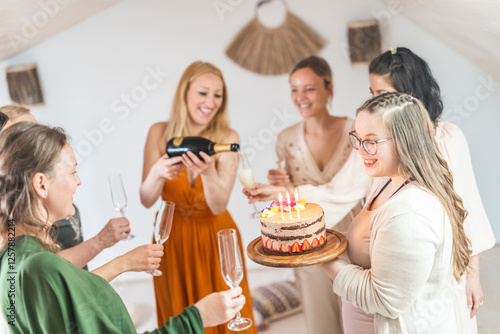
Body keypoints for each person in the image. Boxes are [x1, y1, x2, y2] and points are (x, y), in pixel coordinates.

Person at [0, 122, 245, 333]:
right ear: (41, 184)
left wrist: (123, 262)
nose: (78, 181)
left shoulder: (11, 259)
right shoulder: (42, 265)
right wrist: (199, 317)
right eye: (73, 171)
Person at [322, 92, 472, 333]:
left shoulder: (410, 212)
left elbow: (385, 300)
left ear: (405, 140)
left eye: (371, 141)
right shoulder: (387, 181)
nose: (360, 150)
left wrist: (320, 257)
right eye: (357, 138)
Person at [368, 47, 495, 332]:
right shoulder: (382, 142)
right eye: (371, 93)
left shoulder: (447, 138)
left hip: (442, 268)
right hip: (397, 269)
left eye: (382, 94)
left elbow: (467, 212)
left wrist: (472, 275)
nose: (374, 102)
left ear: (408, 93)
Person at [244, 56, 370, 334]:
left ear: (329, 88)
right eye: (294, 89)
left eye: (309, 88)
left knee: (359, 318)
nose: (300, 97)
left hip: (354, 237)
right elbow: (291, 195)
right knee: (320, 322)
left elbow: (364, 183)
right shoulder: (285, 139)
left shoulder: (357, 130)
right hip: (306, 243)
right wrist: (280, 185)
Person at [140, 61, 255, 333]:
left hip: (216, 237)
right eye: (203, 93)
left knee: (227, 316)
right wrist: (157, 172)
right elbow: (146, 199)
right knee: (181, 316)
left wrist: (208, 173)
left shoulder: (227, 137)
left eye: (218, 95)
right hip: (171, 238)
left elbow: (217, 206)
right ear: (185, 92)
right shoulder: (159, 133)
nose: (211, 102)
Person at [0, 104, 150, 282]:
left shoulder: (40, 219)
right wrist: (122, 263)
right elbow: (55, 279)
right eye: (25, 136)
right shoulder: (19, 239)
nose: (38, 141)